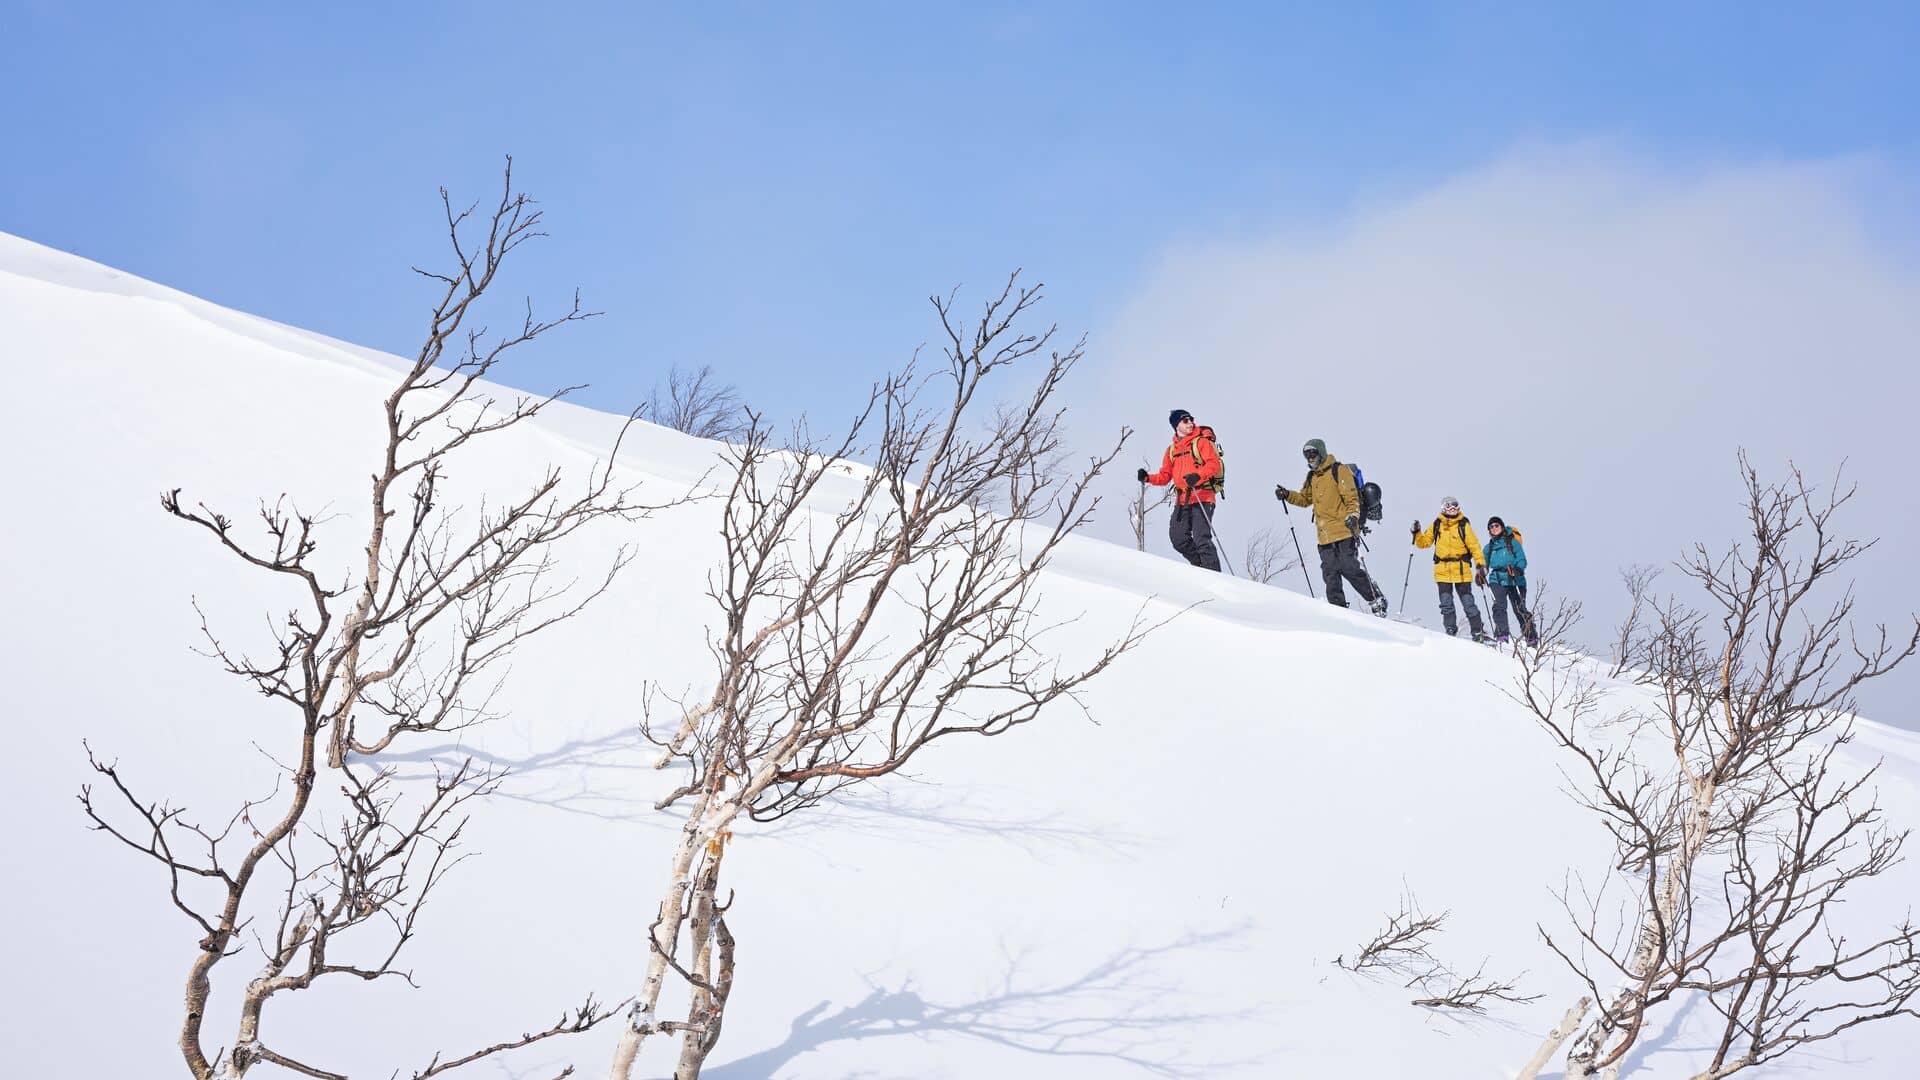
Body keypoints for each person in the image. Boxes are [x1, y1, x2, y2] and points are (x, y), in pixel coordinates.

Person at [1274, 438, 1389, 615]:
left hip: (1344, 530)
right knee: (1330, 572)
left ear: (1321, 452)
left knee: (1349, 567)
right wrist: (1287, 495)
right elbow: (1305, 499)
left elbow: (1352, 499)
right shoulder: (1312, 477)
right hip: (1324, 535)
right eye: (1306, 455)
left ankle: (1376, 599)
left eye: (1312, 453)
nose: (1309, 458)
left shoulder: (1338, 470)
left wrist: (1353, 517)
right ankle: (1338, 609)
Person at [1139, 409, 1221, 571]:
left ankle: (1215, 576)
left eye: (1191, 419)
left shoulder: (1201, 442)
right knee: (1178, 539)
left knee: (1201, 538)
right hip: (1182, 500)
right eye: (1185, 421)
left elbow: (1214, 465)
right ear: (1176, 426)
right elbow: (1164, 476)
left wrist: (1197, 476)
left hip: (1202, 497)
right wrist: (1148, 478)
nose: (1190, 423)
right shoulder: (1171, 450)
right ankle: (1202, 568)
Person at [1412, 496, 1490, 642]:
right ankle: (1450, 631)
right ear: (1443, 508)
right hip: (1442, 570)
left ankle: (1478, 632)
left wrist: (1480, 565)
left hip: (1461, 570)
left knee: (1468, 603)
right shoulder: (1437, 524)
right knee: (1446, 604)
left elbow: (1475, 546)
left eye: (1455, 506)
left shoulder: (1463, 525)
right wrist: (1417, 533)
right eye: (1449, 506)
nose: (1452, 509)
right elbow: (1424, 543)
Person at [1483, 516, 1537, 646]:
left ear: (1501, 526)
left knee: (1519, 608)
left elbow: (1521, 558)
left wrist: (1518, 569)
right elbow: (1483, 563)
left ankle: (1531, 637)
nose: (1494, 528)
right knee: (1499, 606)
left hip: (1513, 578)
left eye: (1496, 525)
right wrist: (1480, 574)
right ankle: (1502, 635)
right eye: (1491, 527)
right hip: (1496, 578)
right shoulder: (1489, 547)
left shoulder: (1512, 542)